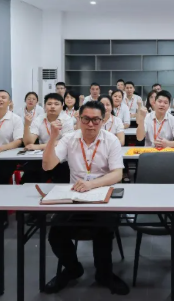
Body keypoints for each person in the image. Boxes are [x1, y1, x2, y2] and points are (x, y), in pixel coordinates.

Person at [41, 100, 129, 295]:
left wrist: (91, 184)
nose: (90, 124)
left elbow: (117, 174)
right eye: (86, 119)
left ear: (103, 120)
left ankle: (104, 274)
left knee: (103, 229)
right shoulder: (69, 139)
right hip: (75, 196)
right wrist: (53, 138)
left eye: (95, 120)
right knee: (55, 233)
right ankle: (73, 268)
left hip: (102, 194)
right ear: (79, 120)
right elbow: (48, 165)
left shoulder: (111, 140)